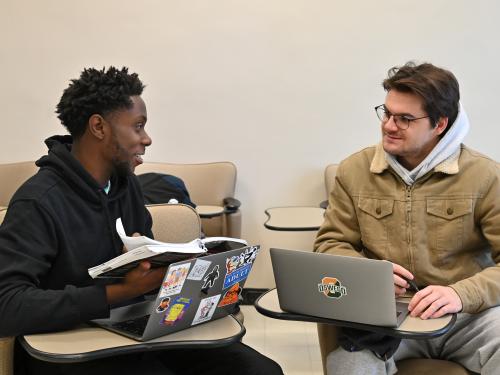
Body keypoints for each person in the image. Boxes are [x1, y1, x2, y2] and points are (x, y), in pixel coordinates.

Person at [0, 66, 283, 375]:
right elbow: (8, 304)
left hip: (130, 328)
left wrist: (195, 276)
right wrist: (117, 292)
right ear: (99, 127)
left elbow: (143, 275)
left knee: (259, 370)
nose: (147, 139)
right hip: (68, 348)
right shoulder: (38, 201)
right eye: (138, 126)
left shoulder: (125, 186)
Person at [314, 61, 500, 375]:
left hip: (469, 317)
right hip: (387, 318)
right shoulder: (353, 171)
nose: (388, 125)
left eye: (405, 119)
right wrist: (369, 275)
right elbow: (331, 244)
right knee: (347, 366)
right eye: (387, 113)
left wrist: (459, 293)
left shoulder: (486, 177)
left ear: (440, 124)